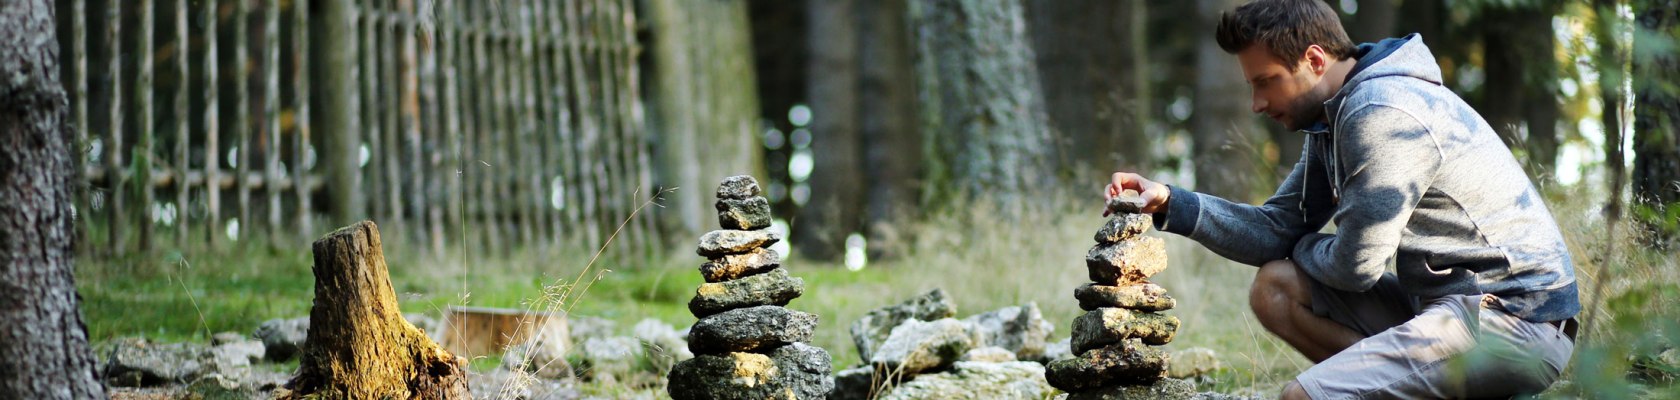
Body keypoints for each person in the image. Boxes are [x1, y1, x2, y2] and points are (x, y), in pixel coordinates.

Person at [1102, 0, 1579, 398]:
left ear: (1313, 60)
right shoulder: (1335, 116)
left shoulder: (1379, 112)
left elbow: (1354, 267)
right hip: (1444, 307)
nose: (1257, 104)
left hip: (1514, 324)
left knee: (1303, 397)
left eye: (1265, 81)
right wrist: (1171, 201)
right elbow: (1278, 227)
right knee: (1277, 287)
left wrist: (1299, 244)